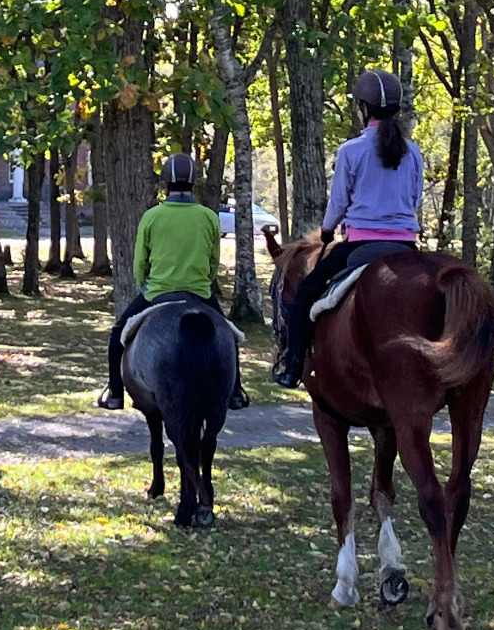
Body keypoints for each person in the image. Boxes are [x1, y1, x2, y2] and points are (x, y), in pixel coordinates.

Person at [273, 69, 423, 388]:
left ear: (363, 108)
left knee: (303, 295)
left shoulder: (351, 151)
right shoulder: (414, 152)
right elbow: (413, 198)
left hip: (360, 245)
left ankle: (292, 365)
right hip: (406, 247)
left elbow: (339, 202)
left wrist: (327, 232)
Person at [96, 154, 249, 411]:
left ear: (165, 182)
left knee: (116, 335)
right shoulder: (209, 217)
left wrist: (146, 284)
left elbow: (139, 264)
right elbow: (213, 261)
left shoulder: (152, 217)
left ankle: (115, 394)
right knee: (229, 338)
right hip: (199, 293)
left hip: (158, 292)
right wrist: (202, 281)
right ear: (194, 181)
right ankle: (234, 392)